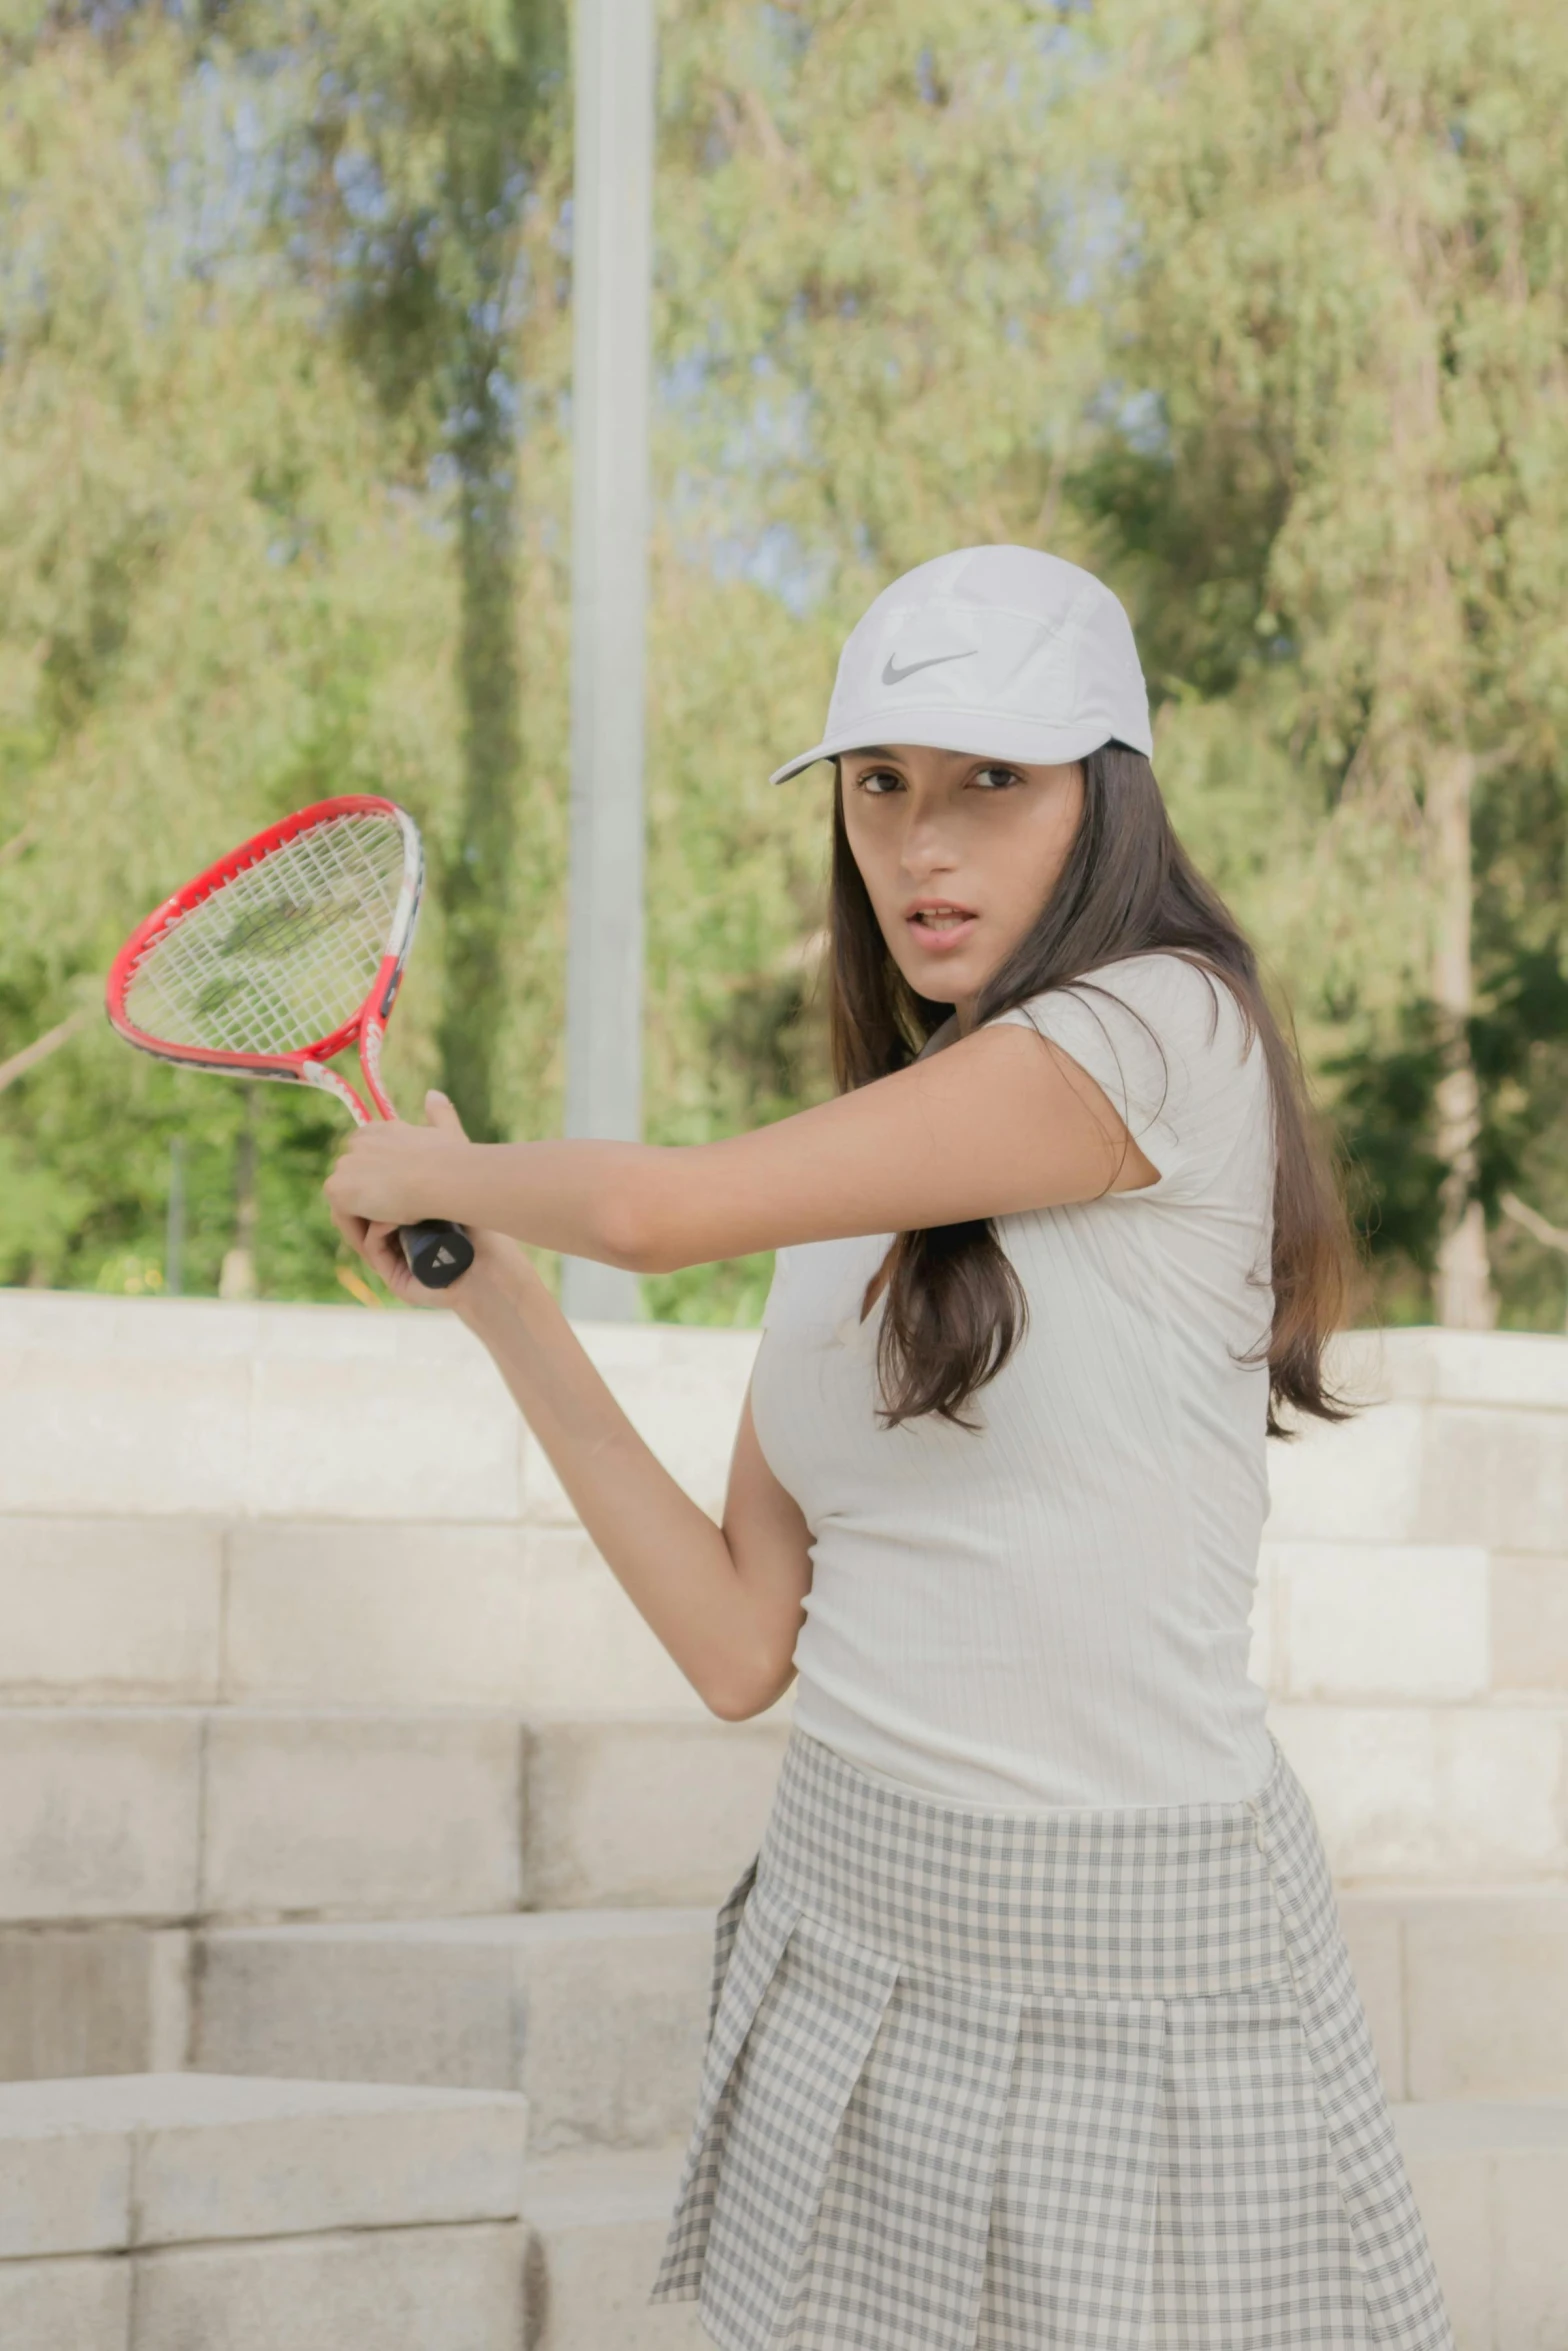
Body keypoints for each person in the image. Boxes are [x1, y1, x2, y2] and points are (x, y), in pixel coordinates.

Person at [325, 546, 1457, 2351]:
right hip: (855, 1911)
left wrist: (446, 1172)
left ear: (1107, 801)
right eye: (882, 788)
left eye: (990, 784)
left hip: (1128, 1964)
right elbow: (733, 1642)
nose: (925, 846)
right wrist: (504, 1300)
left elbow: (661, 1204)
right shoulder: (870, 1168)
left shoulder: (1165, 1032)